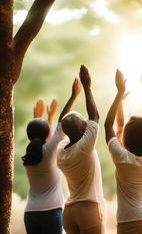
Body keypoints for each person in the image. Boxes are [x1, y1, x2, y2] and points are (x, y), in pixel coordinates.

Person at [104, 67, 142, 234]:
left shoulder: (122, 158)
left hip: (129, 223)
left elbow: (107, 125)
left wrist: (119, 94)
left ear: (125, 139)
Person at [23, 84, 80, 234]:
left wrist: (38, 118)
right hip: (51, 212)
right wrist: (73, 96)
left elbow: (41, 136)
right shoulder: (48, 152)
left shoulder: (29, 155)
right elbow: (61, 126)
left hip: (30, 213)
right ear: (46, 133)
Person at [57, 65, 104, 234]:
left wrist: (72, 97)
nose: (87, 121)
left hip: (68, 212)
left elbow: (60, 125)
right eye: (83, 122)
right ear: (81, 130)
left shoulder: (61, 151)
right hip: (88, 210)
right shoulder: (85, 147)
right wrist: (87, 87)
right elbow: (95, 116)